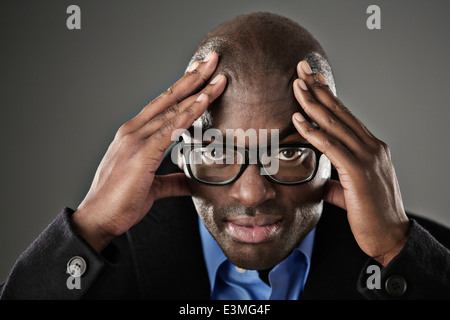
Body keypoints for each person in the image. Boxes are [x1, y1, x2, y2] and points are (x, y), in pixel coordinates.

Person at [1, 12, 449, 300]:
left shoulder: (419, 262)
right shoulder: (94, 265)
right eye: (218, 150)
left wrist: (397, 249)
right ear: (182, 149)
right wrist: (90, 227)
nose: (252, 192)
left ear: (337, 152)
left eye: (289, 152)